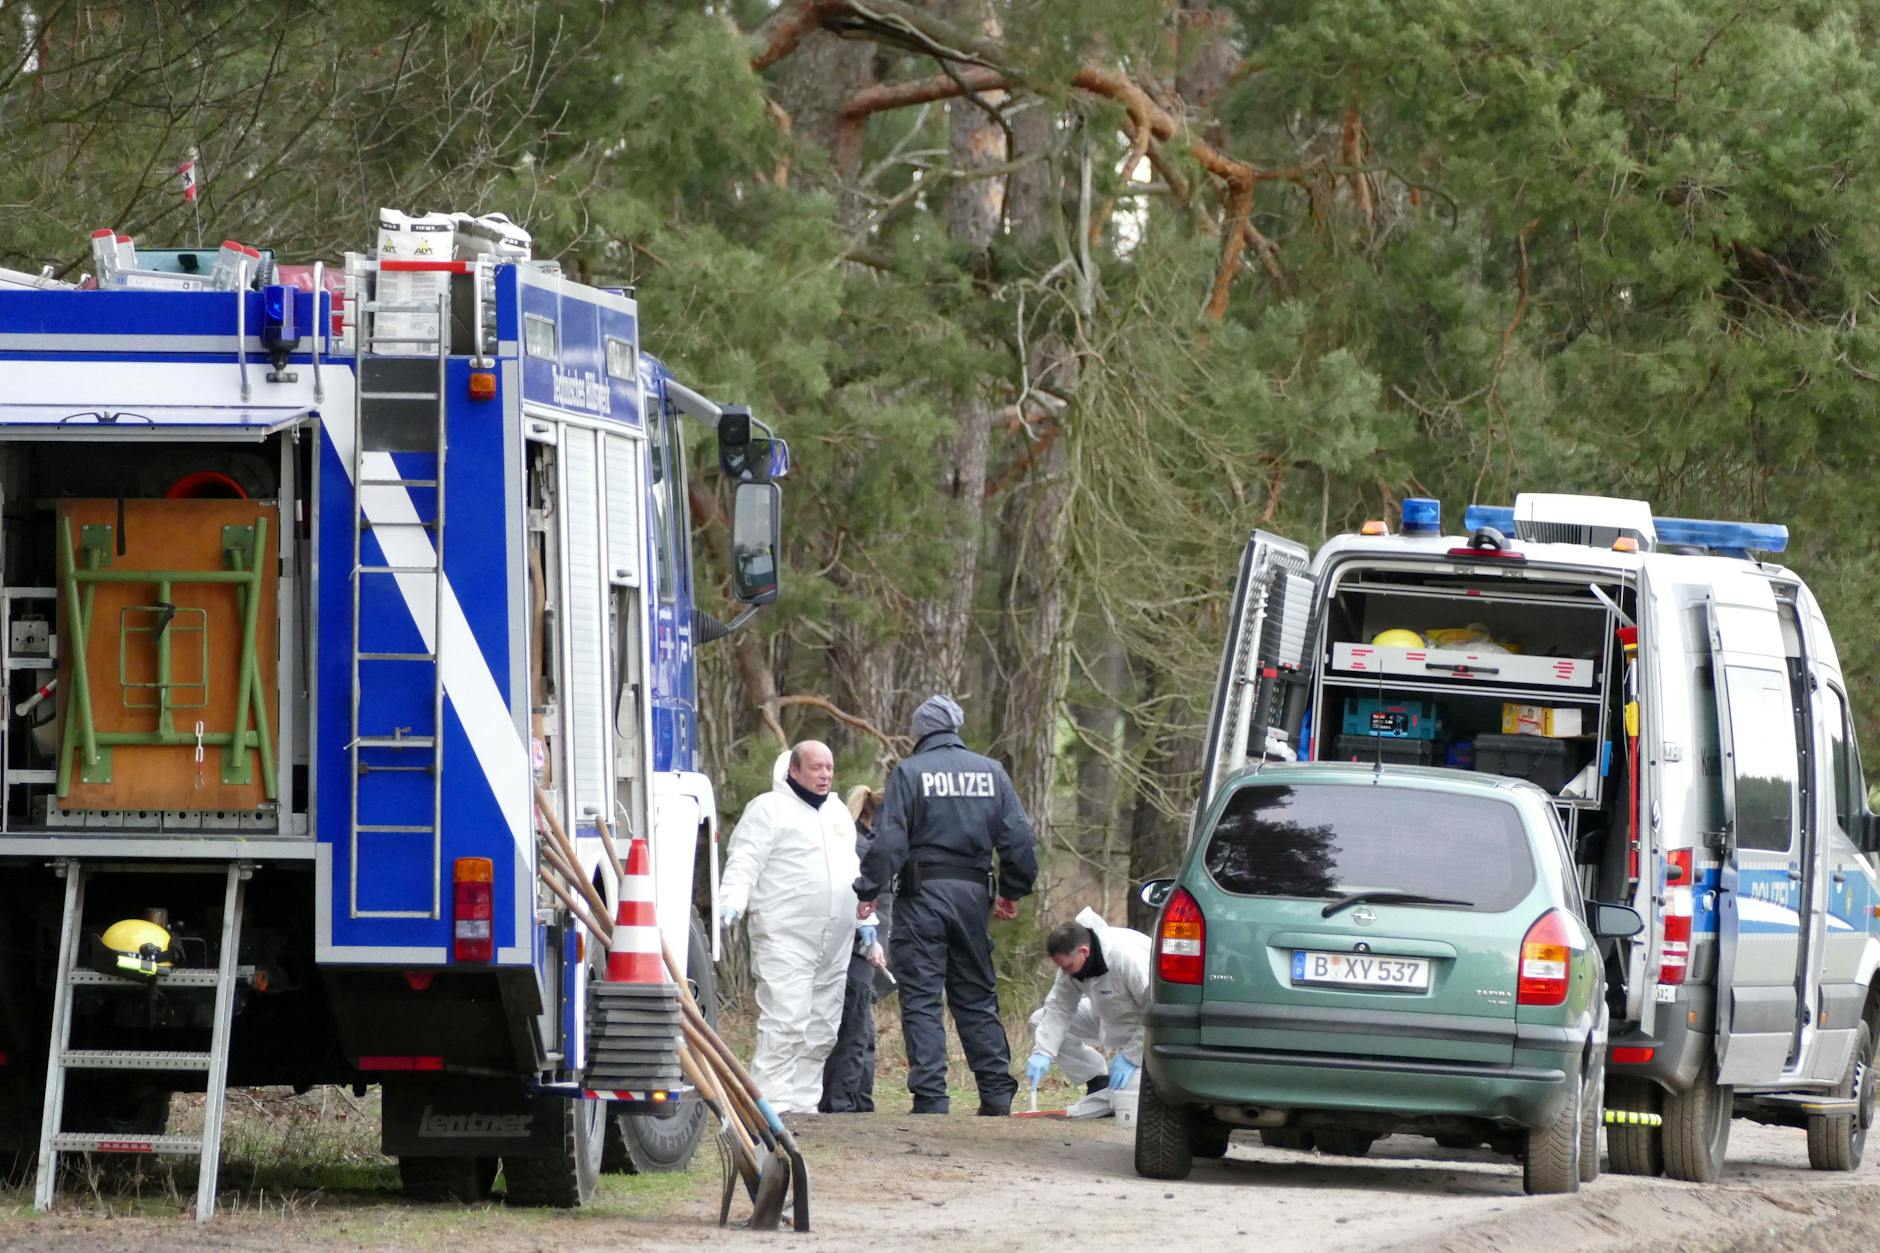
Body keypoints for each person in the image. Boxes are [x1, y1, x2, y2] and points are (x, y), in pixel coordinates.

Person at [855, 694, 1037, 1116]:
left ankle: (932, 1098)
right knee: (975, 994)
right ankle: (995, 1094)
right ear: (954, 729)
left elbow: (889, 840)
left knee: (921, 997)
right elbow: (1020, 839)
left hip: (921, 898)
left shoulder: (910, 772)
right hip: (973, 897)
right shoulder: (993, 773)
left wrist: (868, 891)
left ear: (920, 733)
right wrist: (1012, 890)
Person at [719, 740, 866, 1114]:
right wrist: (732, 900)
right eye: (816, 767)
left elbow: (850, 866)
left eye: (829, 767)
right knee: (786, 1017)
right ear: (794, 771)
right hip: (786, 933)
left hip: (836, 936)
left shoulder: (835, 812)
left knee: (823, 1024)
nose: (825, 775)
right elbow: (745, 859)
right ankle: (772, 1101)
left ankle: (803, 1100)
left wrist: (869, 917)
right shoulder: (769, 810)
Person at [1025, 907, 1153, 1117]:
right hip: (1106, 1013)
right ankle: (1097, 1080)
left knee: (1126, 1100)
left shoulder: (1127, 956)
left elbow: (1154, 1010)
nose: (1065, 972)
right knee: (1040, 1020)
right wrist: (1043, 1051)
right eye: (1061, 967)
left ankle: (1107, 1097)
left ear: (1083, 951)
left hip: (1143, 1025)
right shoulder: (1072, 964)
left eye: (1068, 966)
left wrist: (1131, 1056)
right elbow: (1060, 1008)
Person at [820, 785, 891, 1113]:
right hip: (858, 948)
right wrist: (871, 939)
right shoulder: (864, 849)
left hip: (865, 946)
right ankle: (841, 1102)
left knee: (862, 1026)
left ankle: (859, 1100)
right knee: (854, 1027)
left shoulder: (868, 844)